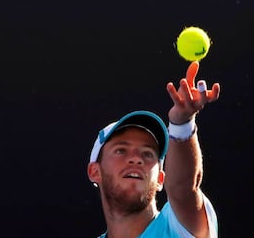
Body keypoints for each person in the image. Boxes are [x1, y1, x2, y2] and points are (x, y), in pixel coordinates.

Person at [87, 61, 221, 238]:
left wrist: (182, 123)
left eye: (147, 153)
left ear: (160, 179)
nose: (136, 159)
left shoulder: (177, 229)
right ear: (95, 171)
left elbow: (183, 189)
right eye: (121, 150)